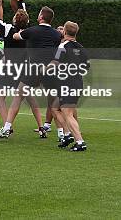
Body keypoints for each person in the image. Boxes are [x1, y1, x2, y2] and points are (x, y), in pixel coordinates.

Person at [0, 0, 45, 139]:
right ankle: (41, 127)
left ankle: (8, 126)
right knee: (30, 97)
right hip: (26, 68)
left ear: (14, 19)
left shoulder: (7, 29)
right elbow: (22, 9)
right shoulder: (29, 30)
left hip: (11, 68)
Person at [49, 21, 90, 151]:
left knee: (67, 114)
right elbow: (86, 66)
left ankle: (79, 141)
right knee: (55, 108)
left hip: (67, 84)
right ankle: (67, 135)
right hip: (77, 82)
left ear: (64, 32)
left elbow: (54, 63)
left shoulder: (62, 46)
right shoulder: (81, 47)